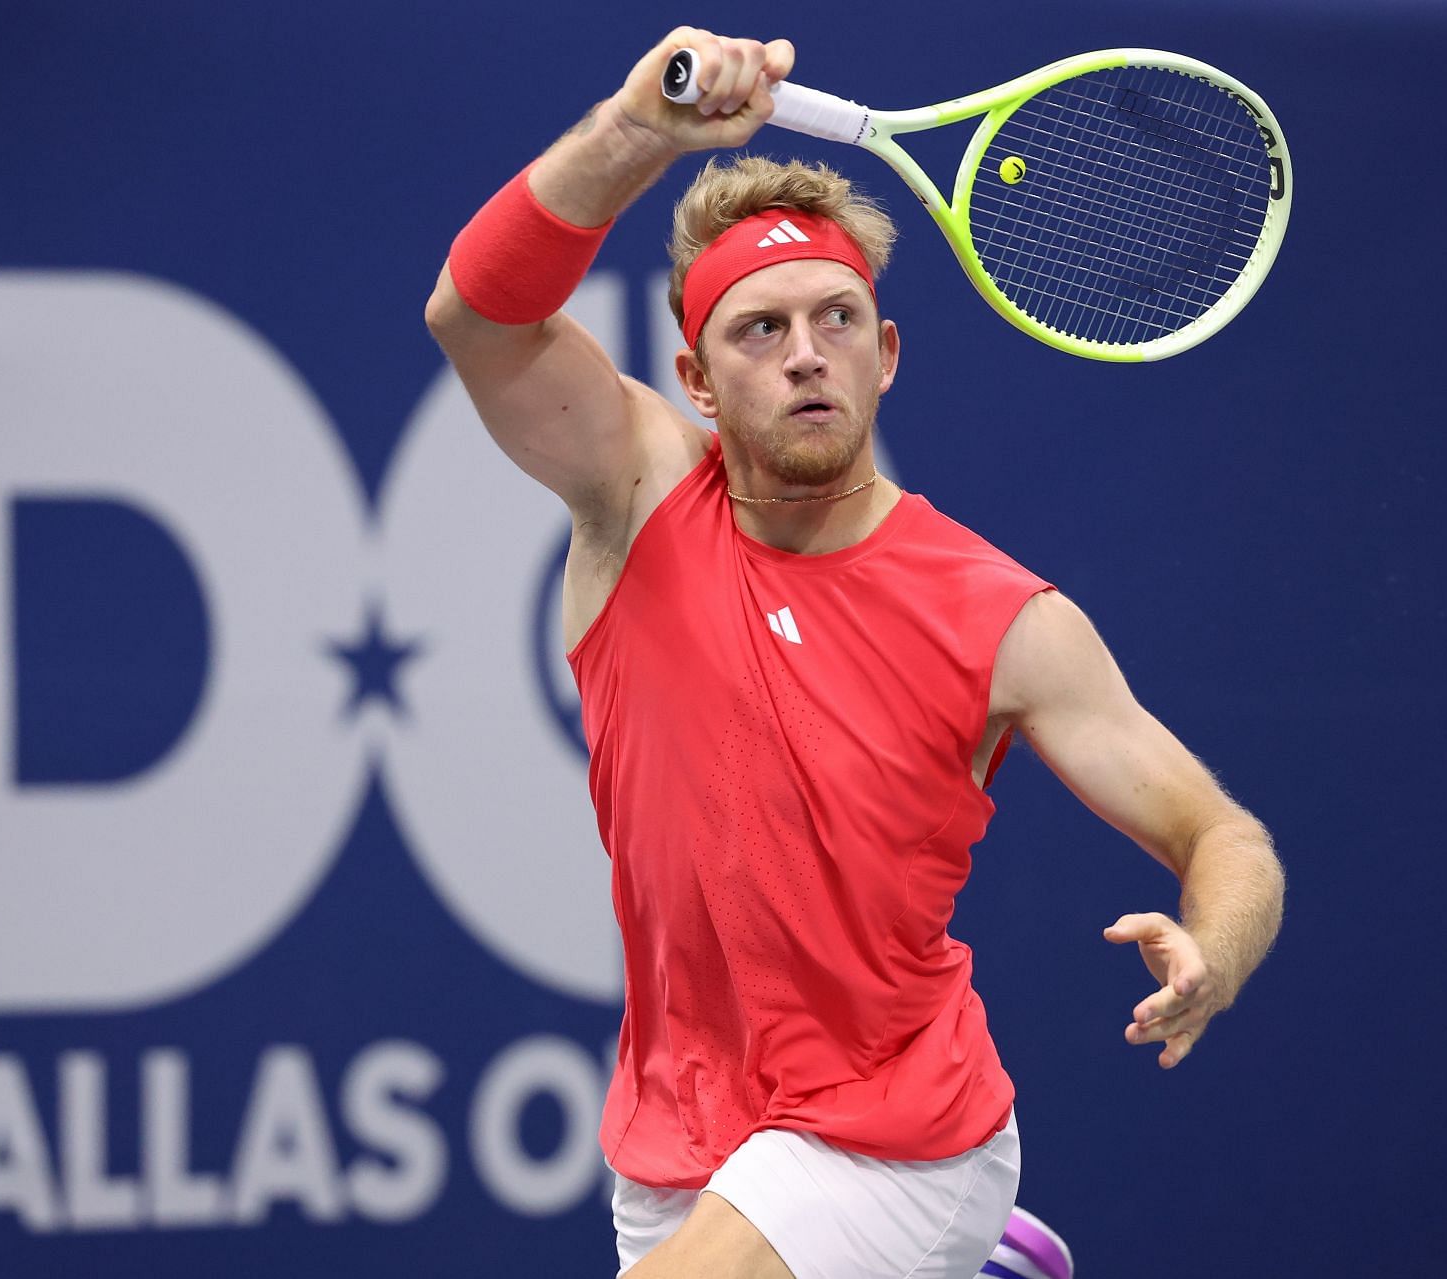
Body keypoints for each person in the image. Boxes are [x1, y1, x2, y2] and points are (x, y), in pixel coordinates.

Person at [425, 27, 1285, 1279]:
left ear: (884, 356)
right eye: (760, 331)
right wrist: (639, 132)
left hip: (892, 1127)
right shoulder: (638, 493)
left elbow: (1224, 834)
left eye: (837, 319)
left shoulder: (1002, 616)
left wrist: (1218, 947)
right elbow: (479, 314)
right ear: (697, 382)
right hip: (673, 1136)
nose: (806, 352)